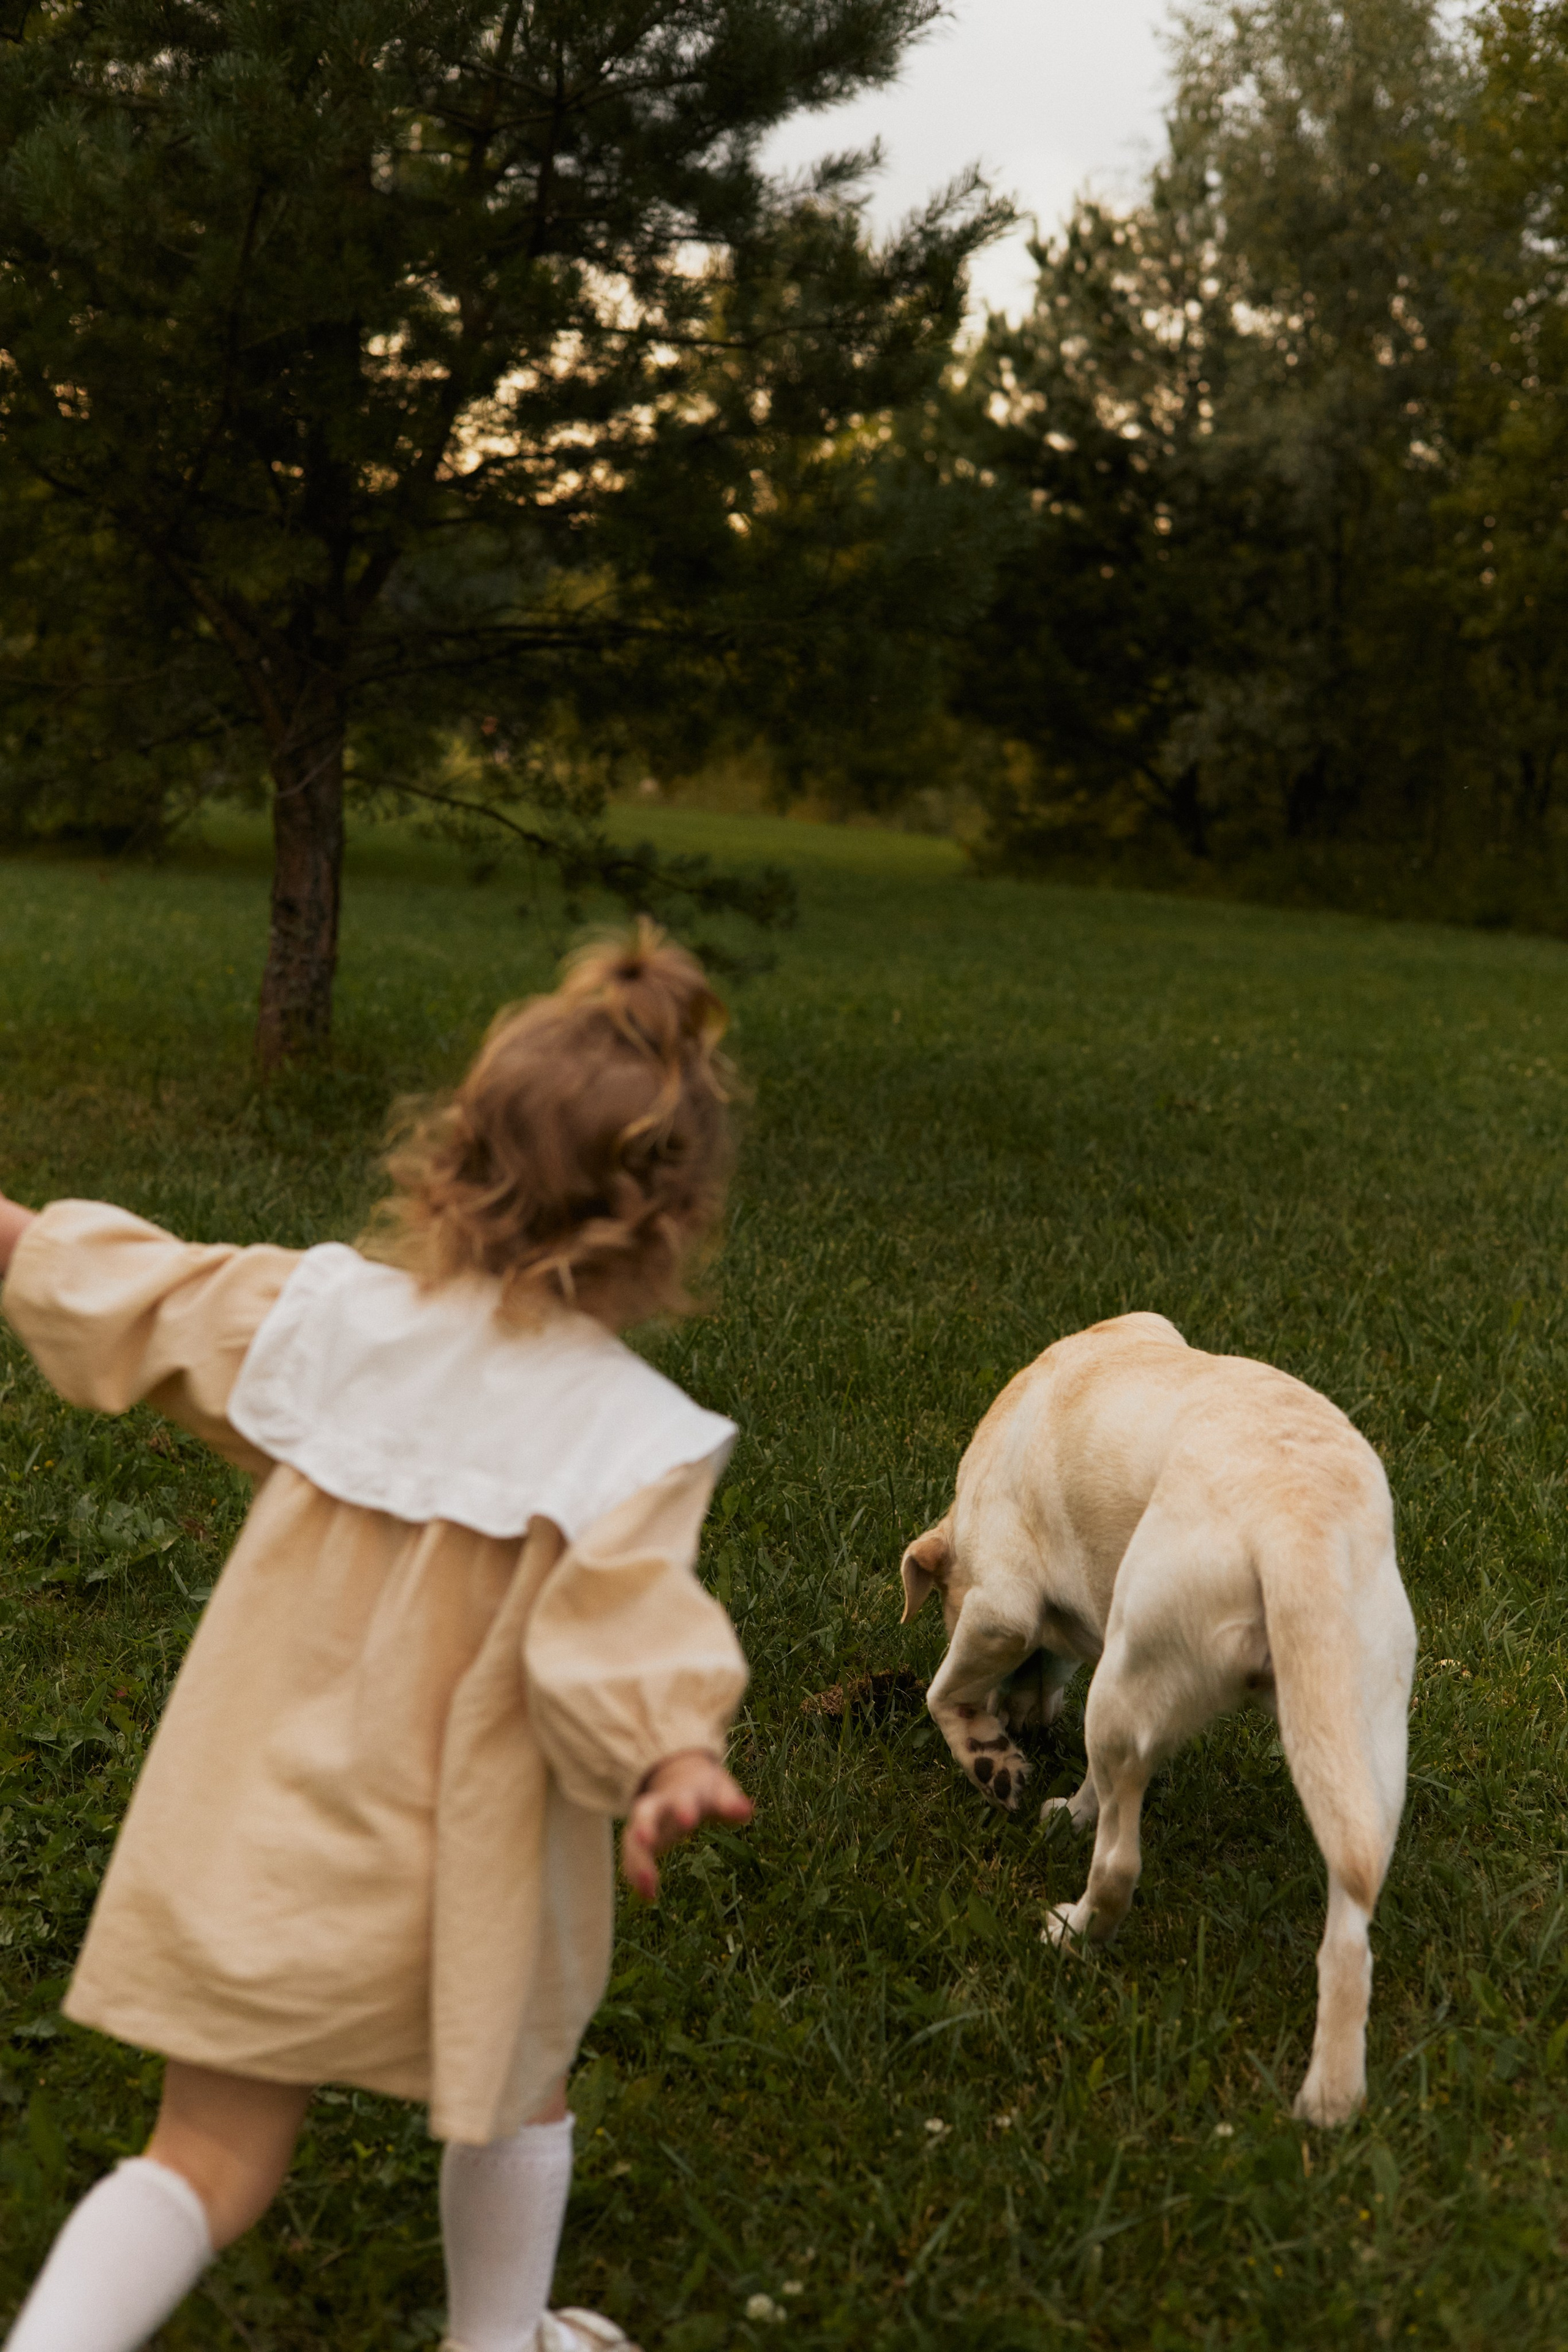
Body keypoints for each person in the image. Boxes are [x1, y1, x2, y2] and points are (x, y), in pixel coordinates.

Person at [0, 924, 753, 2352]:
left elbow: (135, 1293)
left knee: (202, 2162)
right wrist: (673, 1752)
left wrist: (21, 1239)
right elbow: (626, 1629)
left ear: (452, 1155)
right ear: (667, 1225)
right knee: (521, 2086)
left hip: (260, 1839)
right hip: (471, 1878)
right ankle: (493, 2343)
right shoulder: (629, 1437)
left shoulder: (323, 1320)